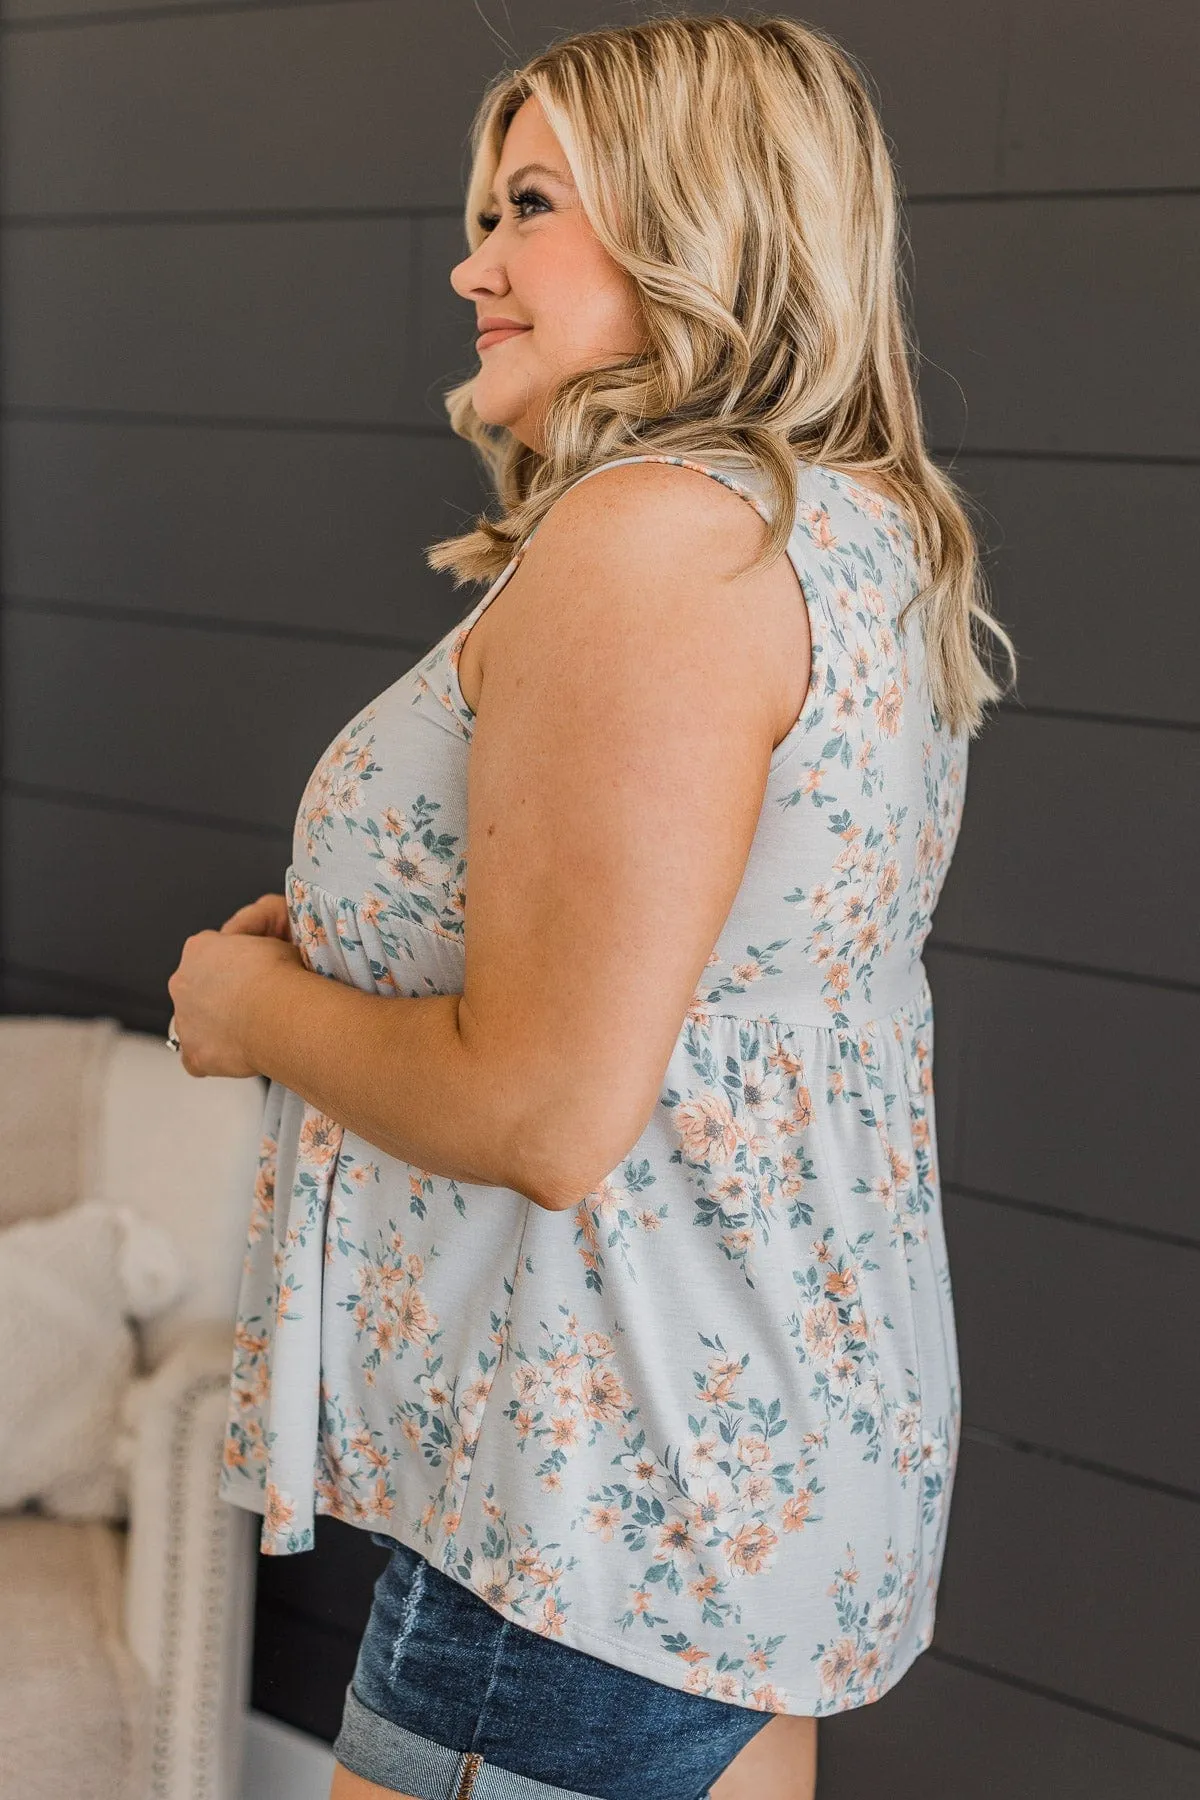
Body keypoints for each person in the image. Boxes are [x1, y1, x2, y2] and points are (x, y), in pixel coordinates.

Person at [167, 14, 1017, 1800]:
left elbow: (550, 1108)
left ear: (697, 221)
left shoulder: (654, 545)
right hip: (725, 1479)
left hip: (584, 1504)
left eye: (529, 205)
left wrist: (253, 1017)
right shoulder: (843, 527)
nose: (471, 263)